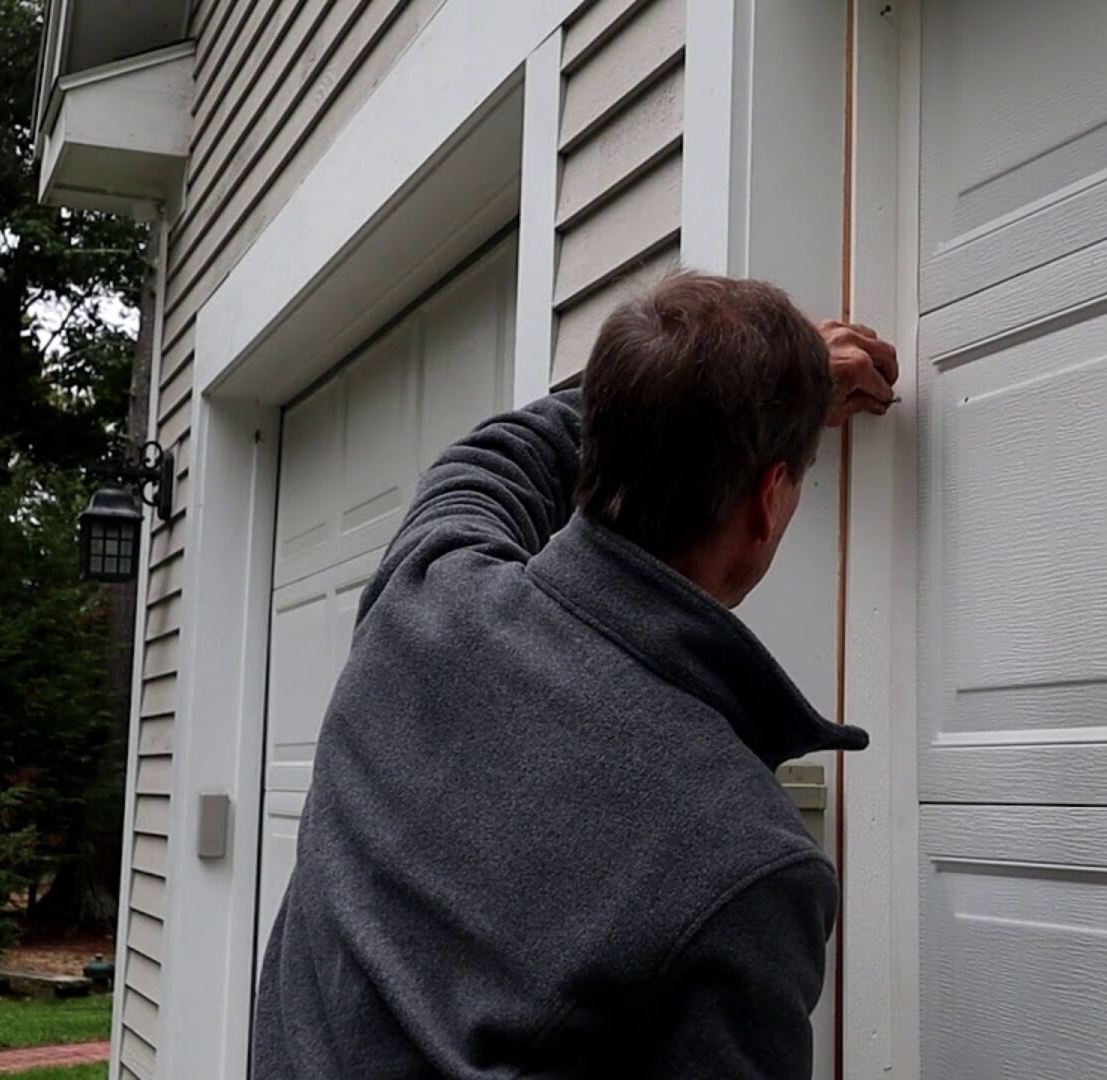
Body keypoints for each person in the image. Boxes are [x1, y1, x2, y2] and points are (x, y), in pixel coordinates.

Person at [251, 272, 899, 1078]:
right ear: (769, 500)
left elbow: (497, 453)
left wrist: (716, 386)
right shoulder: (745, 863)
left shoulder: (427, 597)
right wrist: (761, 389)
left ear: (605, 435)